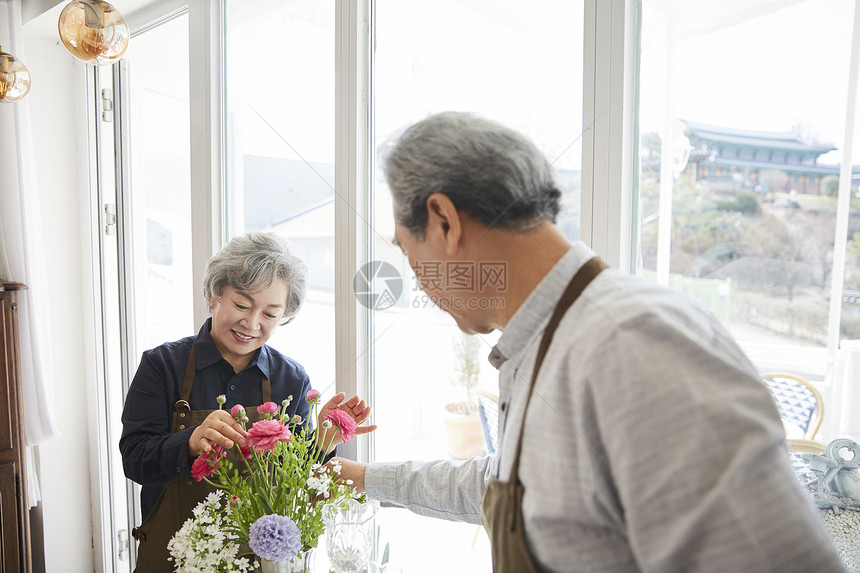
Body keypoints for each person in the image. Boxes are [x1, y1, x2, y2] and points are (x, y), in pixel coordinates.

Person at [335, 112, 846, 572]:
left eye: (407, 252)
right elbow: (514, 485)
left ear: (444, 221)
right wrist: (360, 478)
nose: (419, 280)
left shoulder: (632, 341)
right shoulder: (543, 342)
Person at [120, 232, 375, 572]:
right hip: (172, 557)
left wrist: (322, 442)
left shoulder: (292, 380)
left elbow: (298, 482)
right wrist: (191, 441)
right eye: (241, 305)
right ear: (214, 296)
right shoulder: (162, 366)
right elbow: (135, 460)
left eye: (270, 314)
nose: (251, 324)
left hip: (260, 563)